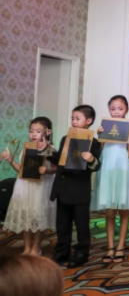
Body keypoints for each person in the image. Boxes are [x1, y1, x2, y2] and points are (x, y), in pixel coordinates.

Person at [40, 105, 102, 268]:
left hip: (80, 190)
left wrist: (91, 159)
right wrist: (45, 149)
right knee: (62, 224)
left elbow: (96, 166)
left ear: (88, 121)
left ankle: (82, 252)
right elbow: (58, 160)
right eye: (72, 118)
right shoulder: (65, 139)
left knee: (81, 224)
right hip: (63, 187)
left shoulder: (94, 142)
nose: (74, 121)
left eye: (77, 118)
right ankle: (62, 250)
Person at [91, 96, 129, 263]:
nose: (116, 112)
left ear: (126, 109)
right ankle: (110, 246)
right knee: (110, 210)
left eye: (120, 108)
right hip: (107, 168)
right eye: (113, 109)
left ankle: (120, 246)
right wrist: (99, 135)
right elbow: (100, 150)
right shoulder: (105, 126)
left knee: (123, 209)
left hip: (123, 168)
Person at [1, 117, 57, 256]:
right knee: (26, 217)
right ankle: (27, 248)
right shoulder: (26, 148)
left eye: (38, 131)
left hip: (41, 188)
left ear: (48, 132)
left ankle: (36, 247)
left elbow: (56, 168)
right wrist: (10, 160)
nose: (33, 134)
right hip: (25, 186)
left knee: (38, 218)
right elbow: (20, 170)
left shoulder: (51, 149)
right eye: (31, 131)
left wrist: (48, 171)